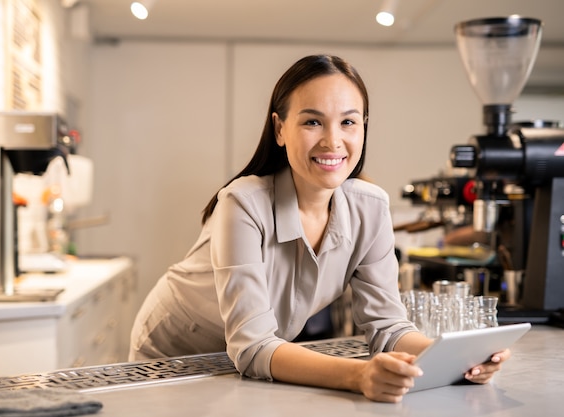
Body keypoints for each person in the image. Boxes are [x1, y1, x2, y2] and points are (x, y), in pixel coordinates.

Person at [129, 54, 510, 403]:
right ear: (279, 129)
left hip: (254, 358)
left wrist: (457, 360)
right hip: (174, 353)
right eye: (312, 121)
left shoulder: (371, 207)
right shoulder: (242, 203)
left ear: (363, 127)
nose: (333, 141)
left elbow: (389, 327)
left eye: (348, 122)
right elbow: (253, 346)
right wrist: (360, 375)